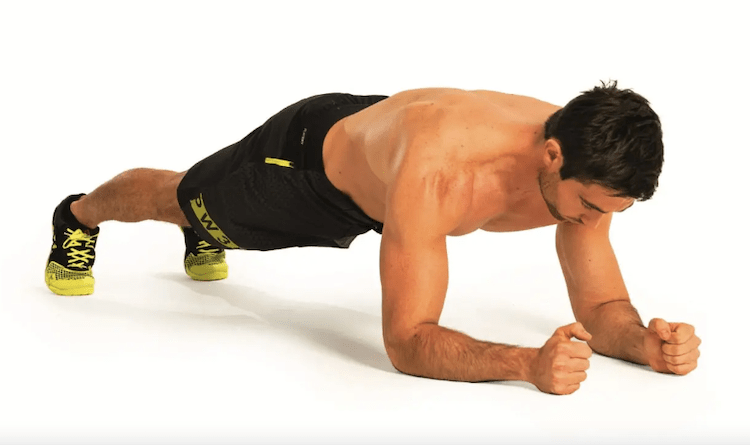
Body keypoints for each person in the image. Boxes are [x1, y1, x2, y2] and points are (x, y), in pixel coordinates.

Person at [44, 82, 701, 394]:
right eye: (589, 207)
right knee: (183, 197)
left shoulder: (590, 174)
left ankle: (205, 234)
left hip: (387, 164)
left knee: (203, 215)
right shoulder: (443, 171)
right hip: (304, 170)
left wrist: (646, 343)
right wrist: (523, 362)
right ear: (553, 155)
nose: (592, 222)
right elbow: (408, 341)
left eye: (606, 210)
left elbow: (600, 307)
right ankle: (78, 215)